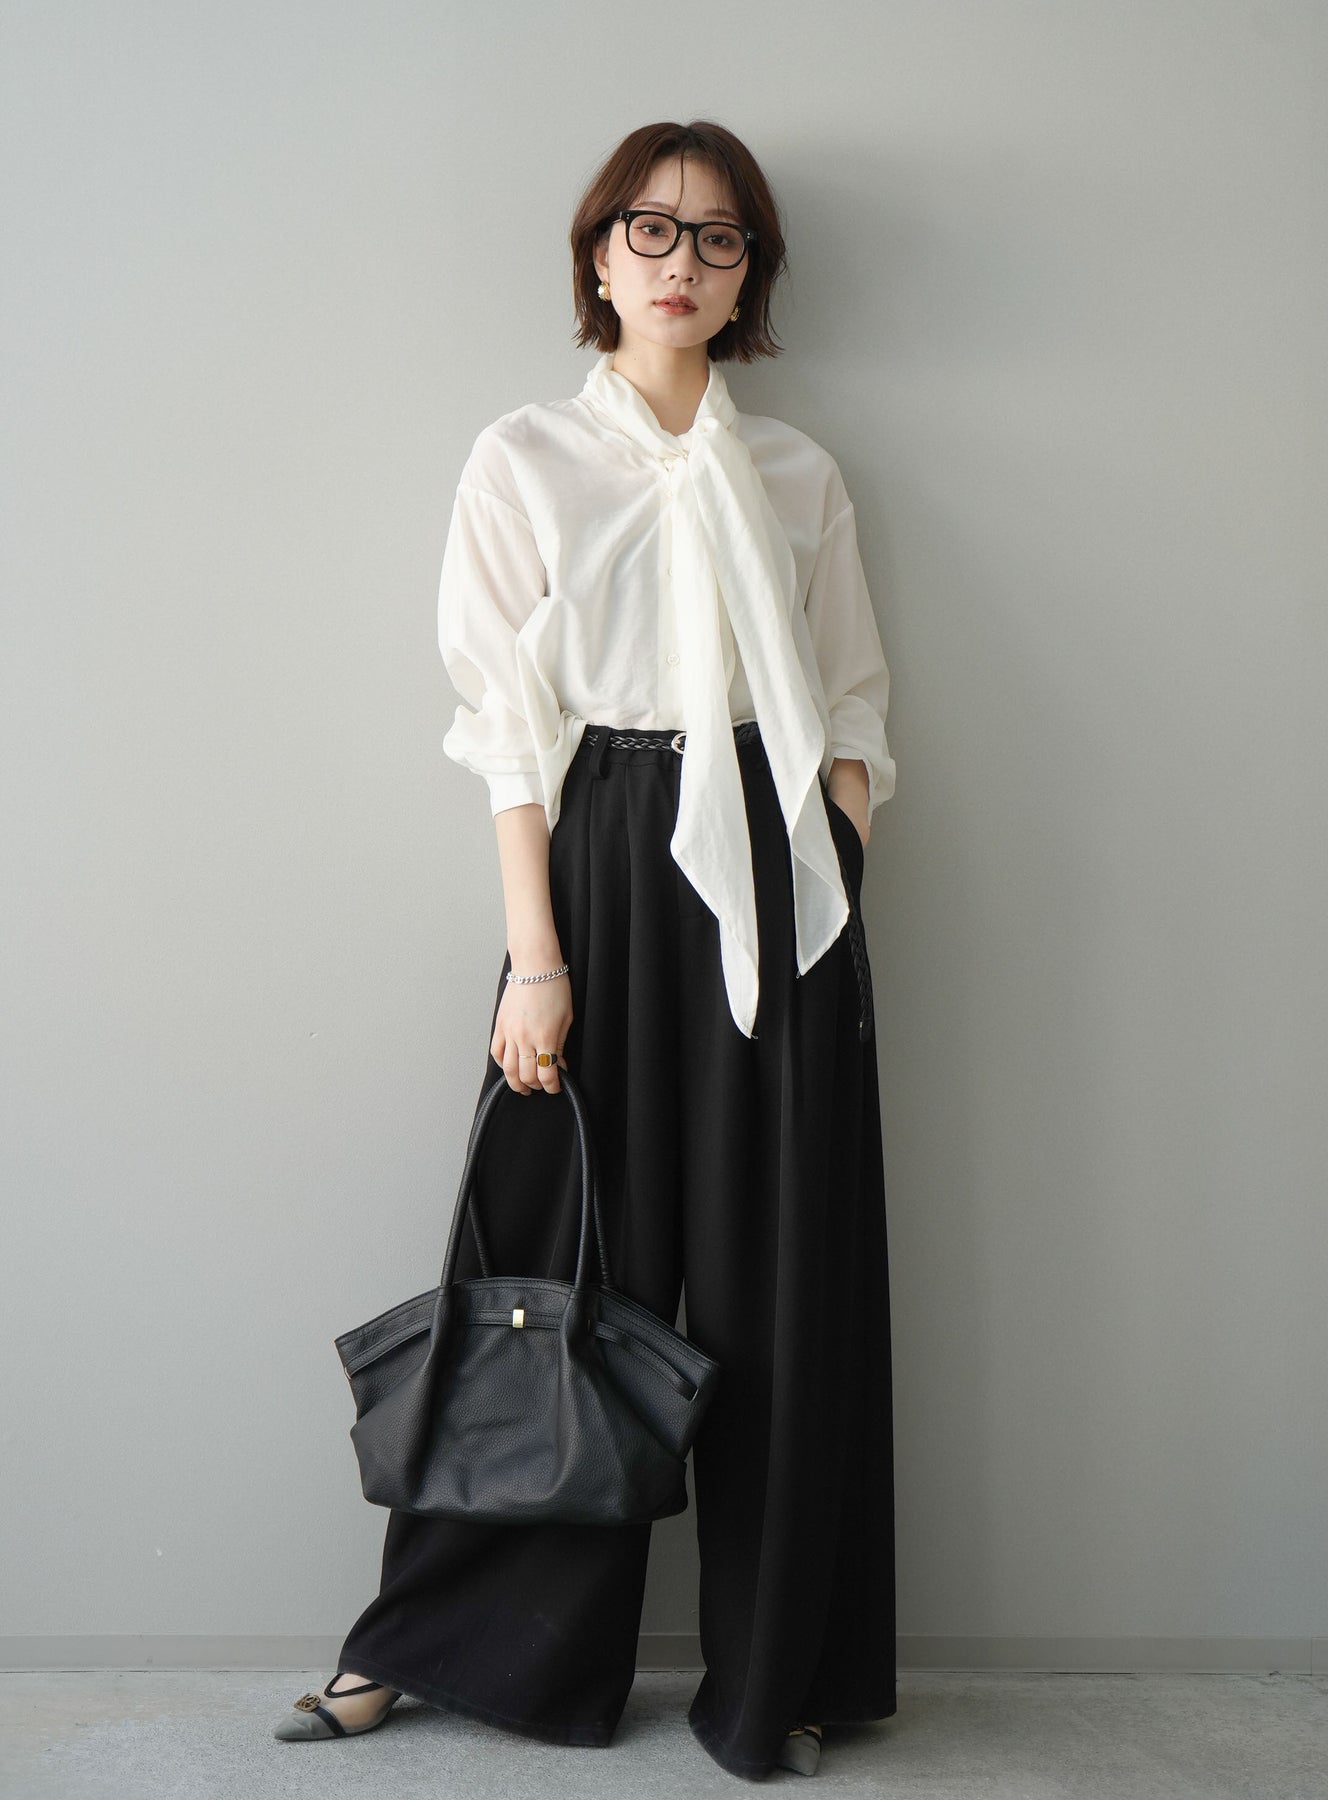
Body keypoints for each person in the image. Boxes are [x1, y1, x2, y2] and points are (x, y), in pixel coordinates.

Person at [272, 118, 898, 1783]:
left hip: (777, 872)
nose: (682, 263)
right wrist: (533, 959)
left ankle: (781, 1672)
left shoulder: (800, 474)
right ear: (598, 254)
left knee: (777, 1275)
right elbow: (506, 730)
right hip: (602, 856)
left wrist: (834, 868)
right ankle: (445, 1645)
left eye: (719, 238)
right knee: (554, 1271)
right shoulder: (527, 457)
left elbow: (850, 703)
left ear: (751, 277)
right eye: (651, 229)